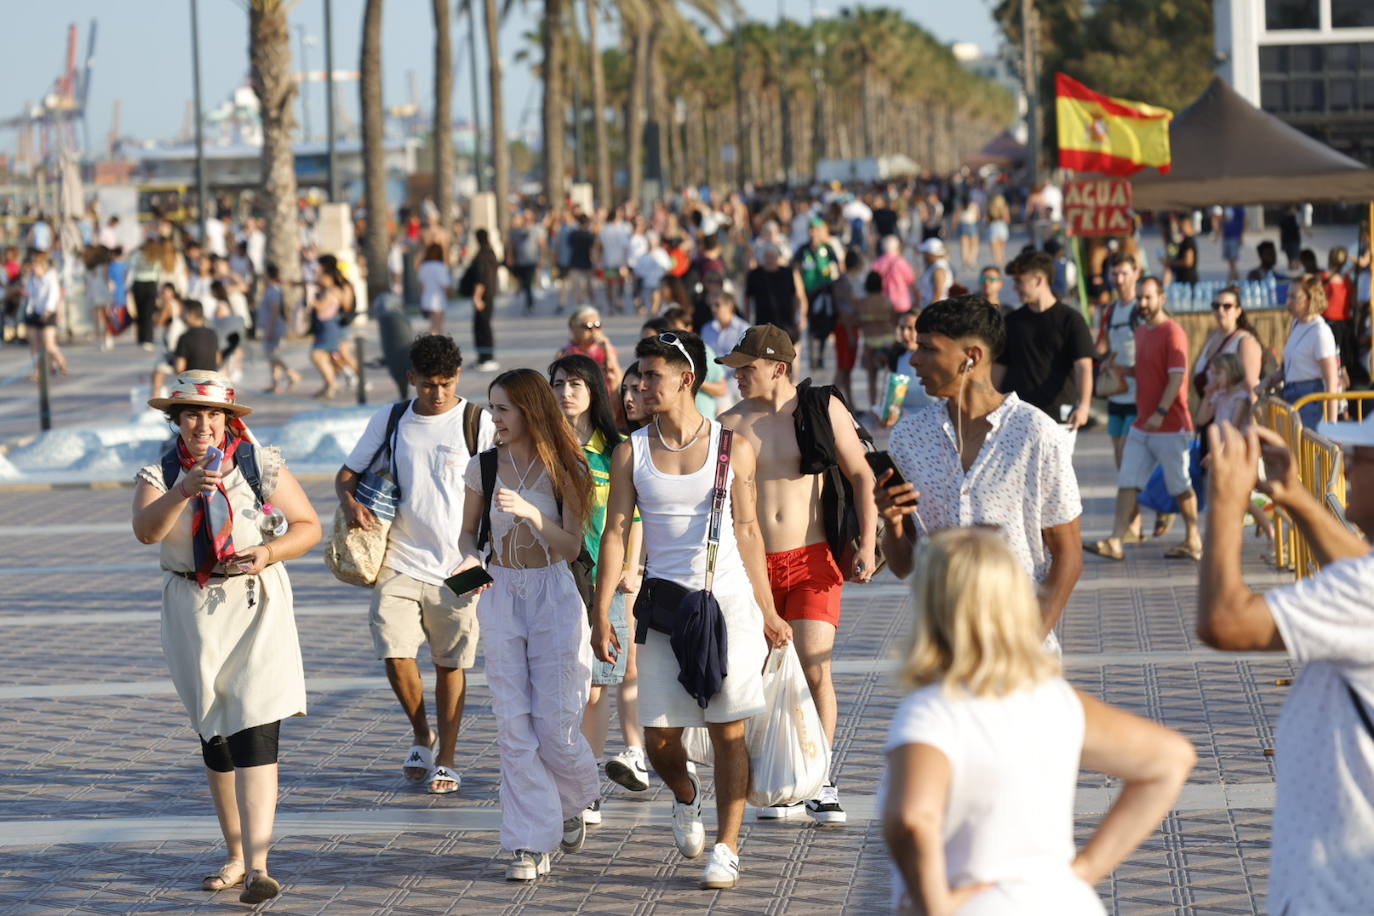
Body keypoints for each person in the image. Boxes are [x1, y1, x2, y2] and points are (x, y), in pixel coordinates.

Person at [882, 526, 1194, 914]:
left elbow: (912, 817)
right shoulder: (1053, 697)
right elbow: (1170, 758)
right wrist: (1084, 870)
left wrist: (937, 907)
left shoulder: (933, 710)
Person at [591, 330, 792, 889]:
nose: (639, 385)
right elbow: (615, 534)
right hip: (663, 607)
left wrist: (769, 609)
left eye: (651, 375)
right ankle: (684, 795)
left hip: (727, 603)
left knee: (730, 731)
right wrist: (601, 610)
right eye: (637, 376)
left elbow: (748, 530)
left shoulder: (733, 447)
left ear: (686, 380)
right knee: (658, 738)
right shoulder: (630, 451)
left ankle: (727, 846)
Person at [132, 372, 322, 904]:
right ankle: (236, 854)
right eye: (191, 414)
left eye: (213, 415)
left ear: (229, 420)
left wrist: (268, 552)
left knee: (256, 727)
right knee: (214, 734)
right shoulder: (161, 471)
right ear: (175, 419)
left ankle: (259, 866)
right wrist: (180, 492)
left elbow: (308, 525)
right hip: (192, 610)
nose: (203, 425)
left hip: (255, 600)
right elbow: (147, 531)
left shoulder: (258, 465)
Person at [1200, 417, 1374, 914]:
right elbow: (1358, 569)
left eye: (1362, 456)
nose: (1348, 466)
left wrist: (1229, 505)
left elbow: (1226, 621)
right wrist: (1293, 496)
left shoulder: (1366, 591)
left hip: (1339, 894)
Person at [718, 324, 877, 824]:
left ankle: (819, 780)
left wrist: (868, 545)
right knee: (762, 674)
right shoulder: (731, 423)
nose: (739, 377)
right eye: (736, 369)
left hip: (811, 560)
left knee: (814, 669)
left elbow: (862, 475)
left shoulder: (821, 411)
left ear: (778, 368)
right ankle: (776, 777)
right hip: (753, 569)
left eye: (748, 368)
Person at [452, 369, 600, 881]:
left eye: (503, 409)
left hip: (553, 595)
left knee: (555, 726)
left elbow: (574, 548)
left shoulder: (570, 468)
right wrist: (467, 564)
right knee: (513, 727)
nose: (493, 418)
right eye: (491, 408)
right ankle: (529, 843)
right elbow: (467, 536)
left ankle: (574, 799)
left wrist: (534, 516)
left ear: (530, 410)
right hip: (500, 594)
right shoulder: (484, 467)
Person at [878, 296, 1084, 653]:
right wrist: (892, 523)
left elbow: (1068, 555)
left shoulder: (1036, 433)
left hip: (1020, 653)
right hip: (941, 650)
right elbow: (904, 567)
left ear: (970, 357)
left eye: (927, 348)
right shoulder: (909, 437)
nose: (913, 360)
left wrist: (1031, 638)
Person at [337, 335, 496, 795]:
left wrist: (489, 559)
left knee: (452, 662)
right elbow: (346, 474)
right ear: (412, 380)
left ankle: (446, 756)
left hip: (464, 562)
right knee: (393, 648)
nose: (438, 394)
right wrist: (349, 502)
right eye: (429, 385)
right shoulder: (391, 419)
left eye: (446, 384)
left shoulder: (477, 422)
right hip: (400, 558)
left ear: (458, 378)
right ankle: (420, 733)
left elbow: (504, 483)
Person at [549, 355, 650, 811]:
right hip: (552, 574)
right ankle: (571, 776)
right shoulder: (542, 446)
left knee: (595, 683)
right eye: (557, 384)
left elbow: (636, 515)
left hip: (603, 578)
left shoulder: (618, 448)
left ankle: (585, 784)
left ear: (592, 390)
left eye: (574, 384)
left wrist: (633, 567)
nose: (565, 392)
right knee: (566, 684)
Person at [1086, 277, 1202, 562]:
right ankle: (1116, 540)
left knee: (1180, 485)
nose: (1143, 303)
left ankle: (1193, 538)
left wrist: (1160, 413)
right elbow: (1144, 370)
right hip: (1143, 423)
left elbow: (1176, 379)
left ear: (1162, 298)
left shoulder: (1173, 332)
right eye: (1139, 298)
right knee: (1127, 480)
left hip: (1171, 425)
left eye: (1148, 297)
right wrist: (1122, 372)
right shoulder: (1141, 332)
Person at [997, 250, 1094, 435]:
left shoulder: (1071, 320)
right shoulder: (1011, 322)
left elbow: (1084, 366)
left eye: (1019, 281)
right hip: (1016, 417)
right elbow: (998, 368)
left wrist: (1084, 407)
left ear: (1039, 280)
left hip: (1058, 419)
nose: (1015, 288)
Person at [1262, 274, 1339, 427]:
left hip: (1310, 399)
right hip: (1291, 394)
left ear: (1310, 299)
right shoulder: (1297, 324)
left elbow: (1331, 381)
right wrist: (1268, 380)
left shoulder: (1320, 332)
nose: (1288, 302)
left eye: (1294, 297)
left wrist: (1332, 426)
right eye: (1288, 296)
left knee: (1303, 447)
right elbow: (1289, 368)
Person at [794, 218, 843, 368]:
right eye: (811, 229)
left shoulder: (827, 248)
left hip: (825, 291)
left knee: (825, 324)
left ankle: (821, 354)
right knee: (809, 325)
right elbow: (796, 269)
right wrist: (799, 290)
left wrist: (837, 286)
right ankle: (811, 356)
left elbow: (839, 266)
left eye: (816, 229)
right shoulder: (803, 250)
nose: (813, 233)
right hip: (808, 292)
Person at [23, 250, 69, 379]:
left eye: (35, 267)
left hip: (48, 312)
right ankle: (37, 370)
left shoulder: (51, 277)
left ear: (42, 266)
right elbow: (30, 293)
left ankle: (61, 362)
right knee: (34, 344)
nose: (33, 269)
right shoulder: (31, 278)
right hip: (33, 311)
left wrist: (48, 310)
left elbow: (53, 295)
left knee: (49, 344)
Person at [556, 306, 622, 394]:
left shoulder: (606, 348)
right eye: (588, 326)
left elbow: (617, 375)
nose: (594, 330)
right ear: (574, 329)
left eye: (597, 325)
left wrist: (607, 347)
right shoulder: (567, 352)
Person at [746, 244, 805, 341]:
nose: (770, 260)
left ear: (778, 257)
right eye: (767, 257)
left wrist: (798, 316)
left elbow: (795, 296)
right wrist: (747, 319)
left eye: (772, 256)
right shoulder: (754, 275)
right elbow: (748, 297)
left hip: (786, 322)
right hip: (763, 322)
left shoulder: (787, 273)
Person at [857, 271, 898, 410]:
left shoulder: (863, 303)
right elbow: (894, 320)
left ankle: (873, 407)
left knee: (872, 378)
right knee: (890, 377)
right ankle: (888, 408)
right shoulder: (887, 301)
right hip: (887, 340)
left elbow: (859, 322)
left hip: (870, 341)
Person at [257, 264, 300, 394]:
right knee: (271, 356)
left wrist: (270, 330)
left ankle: (291, 373)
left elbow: (275, 310)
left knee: (273, 355)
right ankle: (275, 383)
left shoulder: (274, 290)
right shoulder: (270, 289)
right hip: (271, 326)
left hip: (275, 327)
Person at [508, 210, 544, 314]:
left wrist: (541, 257)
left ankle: (529, 304)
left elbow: (541, 244)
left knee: (527, 283)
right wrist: (510, 256)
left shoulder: (537, 229)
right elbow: (512, 244)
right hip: (520, 261)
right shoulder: (516, 231)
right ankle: (523, 291)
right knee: (524, 282)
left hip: (532, 260)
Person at [174, 300, 220, 372]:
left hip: (192, 381)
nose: (181, 315)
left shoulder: (185, 337)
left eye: (183, 312)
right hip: (210, 380)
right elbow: (217, 360)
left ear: (191, 314)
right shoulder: (213, 334)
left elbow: (179, 367)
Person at [417, 243, 452, 334]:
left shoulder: (423, 266)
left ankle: (431, 344)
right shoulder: (440, 267)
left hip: (426, 299)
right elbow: (445, 284)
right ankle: (435, 346)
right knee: (438, 327)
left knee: (432, 325)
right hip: (438, 300)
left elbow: (421, 285)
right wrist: (449, 295)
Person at [915, 238, 951, 310]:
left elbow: (938, 292)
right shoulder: (936, 265)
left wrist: (930, 310)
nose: (924, 255)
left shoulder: (938, 269)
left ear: (931, 253)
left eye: (926, 253)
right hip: (933, 305)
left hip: (936, 307)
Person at [1166, 214, 1199, 284]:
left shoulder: (1188, 241)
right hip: (1183, 278)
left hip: (1187, 280)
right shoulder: (1184, 240)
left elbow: (1188, 262)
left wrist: (1170, 262)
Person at [1220, 205, 1245, 283]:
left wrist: (1241, 235)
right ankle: (1232, 279)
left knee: (1233, 262)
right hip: (1226, 237)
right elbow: (1223, 219)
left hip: (1234, 236)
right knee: (1230, 262)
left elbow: (1244, 220)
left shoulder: (1238, 207)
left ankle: (1234, 280)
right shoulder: (1225, 207)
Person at [985, 194, 1011, 269]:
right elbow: (1008, 220)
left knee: (994, 247)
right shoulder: (1004, 208)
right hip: (1002, 227)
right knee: (1001, 247)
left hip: (993, 227)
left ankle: (997, 262)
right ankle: (1001, 261)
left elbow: (987, 220)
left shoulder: (991, 208)